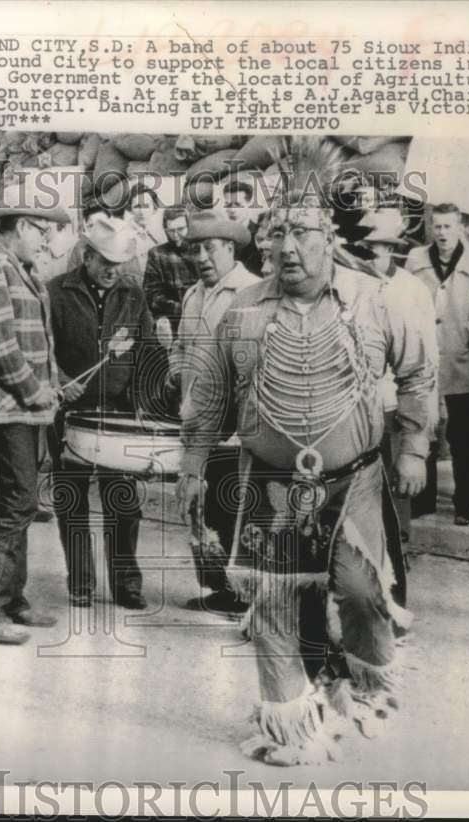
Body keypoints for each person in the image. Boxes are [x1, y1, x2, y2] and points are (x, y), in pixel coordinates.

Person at [179, 138, 435, 766]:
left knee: (359, 590)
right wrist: (191, 467)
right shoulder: (242, 311)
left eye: (302, 234)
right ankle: (289, 724)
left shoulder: (372, 300)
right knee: (272, 600)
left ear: (329, 240)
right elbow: (209, 397)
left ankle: (366, 680)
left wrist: (415, 449)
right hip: (268, 481)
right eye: (277, 235)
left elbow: (417, 375)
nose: (287, 249)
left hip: (355, 479)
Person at [0, 182, 71, 645]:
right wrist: (33, 391)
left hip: (26, 407)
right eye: (43, 232)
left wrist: (54, 383)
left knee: (20, 502)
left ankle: (13, 600)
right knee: (18, 501)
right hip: (8, 405)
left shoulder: (20, 266)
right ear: (22, 225)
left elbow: (35, 341)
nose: (47, 242)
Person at [47, 215, 155, 610]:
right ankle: (80, 581)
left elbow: (145, 351)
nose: (113, 270)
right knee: (71, 500)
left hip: (119, 416)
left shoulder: (133, 294)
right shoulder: (55, 293)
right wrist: (59, 381)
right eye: (106, 261)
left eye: (120, 262)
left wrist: (143, 404)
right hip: (70, 414)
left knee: (124, 501)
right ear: (88, 256)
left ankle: (126, 583)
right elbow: (41, 349)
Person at [169, 210, 259, 616]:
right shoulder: (192, 295)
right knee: (197, 505)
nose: (202, 257)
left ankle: (246, 592)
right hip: (194, 415)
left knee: (232, 505)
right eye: (195, 250)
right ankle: (218, 587)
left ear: (230, 248)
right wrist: (175, 372)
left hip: (234, 424)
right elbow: (182, 347)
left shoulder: (251, 293)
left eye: (209, 248)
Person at [406, 203, 469, 526]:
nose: (443, 233)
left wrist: (464, 334)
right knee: (424, 432)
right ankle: (422, 500)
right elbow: (405, 303)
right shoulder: (416, 259)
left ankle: (465, 505)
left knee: (463, 440)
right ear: (431, 228)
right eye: (438, 227)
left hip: (462, 363)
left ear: (460, 227)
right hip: (423, 363)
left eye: (449, 227)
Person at [356, 209, 438, 545]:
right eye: (369, 248)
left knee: (397, 472)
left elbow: (427, 353)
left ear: (392, 249)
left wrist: (433, 403)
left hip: (398, 396)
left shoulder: (412, 288)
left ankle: (399, 541)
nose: (375, 254)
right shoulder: (355, 287)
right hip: (363, 401)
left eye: (381, 247)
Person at [143, 207, 198, 334]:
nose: (175, 235)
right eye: (171, 230)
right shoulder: (157, 254)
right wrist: (183, 310)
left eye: (180, 229)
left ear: (189, 226)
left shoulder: (201, 251)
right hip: (173, 325)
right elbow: (151, 295)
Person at [221, 179, 265, 275]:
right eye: (228, 204)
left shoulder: (260, 234)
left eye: (238, 204)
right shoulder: (222, 237)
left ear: (249, 204)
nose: (232, 210)